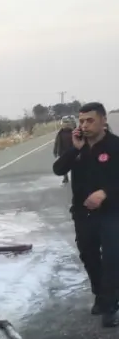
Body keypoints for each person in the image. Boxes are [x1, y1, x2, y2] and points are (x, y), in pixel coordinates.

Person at [53, 102, 119, 326]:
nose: (84, 125)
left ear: (103, 120)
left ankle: (110, 305)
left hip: (112, 212)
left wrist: (105, 193)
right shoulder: (78, 148)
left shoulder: (115, 146)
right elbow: (58, 169)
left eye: (90, 120)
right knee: (89, 257)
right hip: (83, 214)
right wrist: (75, 149)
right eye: (81, 121)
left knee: (112, 258)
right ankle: (100, 295)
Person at [55, 118, 76, 184]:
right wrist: (55, 151)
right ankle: (65, 177)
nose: (65, 125)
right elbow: (57, 143)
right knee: (64, 165)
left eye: (67, 124)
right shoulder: (60, 133)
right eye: (64, 124)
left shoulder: (73, 132)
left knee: (73, 165)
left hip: (71, 151)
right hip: (62, 152)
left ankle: (74, 177)